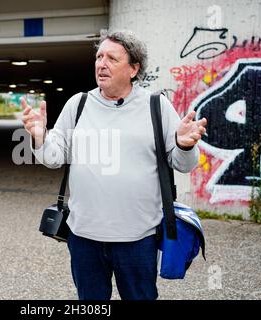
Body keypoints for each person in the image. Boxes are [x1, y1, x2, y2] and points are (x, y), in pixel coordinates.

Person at [20, 29, 207, 300]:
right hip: (83, 237)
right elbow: (54, 157)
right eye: (99, 56)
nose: (101, 64)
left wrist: (185, 145)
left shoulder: (156, 106)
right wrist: (40, 138)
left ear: (133, 68)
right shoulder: (79, 104)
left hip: (138, 238)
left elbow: (183, 164)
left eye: (111, 58)